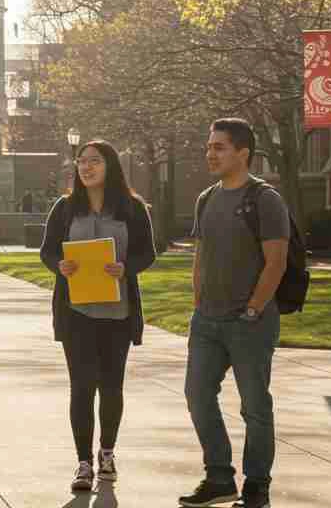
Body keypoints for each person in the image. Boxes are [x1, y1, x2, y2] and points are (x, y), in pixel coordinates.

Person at [178, 118, 287, 508]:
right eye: (209, 146)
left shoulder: (265, 199)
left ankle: (257, 486)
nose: (210, 153)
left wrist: (254, 308)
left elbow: (276, 262)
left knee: (254, 407)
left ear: (243, 153)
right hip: (207, 321)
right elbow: (201, 255)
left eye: (219, 147)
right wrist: (198, 302)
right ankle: (219, 477)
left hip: (248, 322)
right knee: (197, 396)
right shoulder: (206, 198)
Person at [39, 140, 156, 492]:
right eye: (81, 161)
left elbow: (148, 253)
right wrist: (59, 265)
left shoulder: (132, 208)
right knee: (81, 387)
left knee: (111, 386)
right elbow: (47, 252)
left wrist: (125, 268)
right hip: (76, 312)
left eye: (94, 161)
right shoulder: (64, 208)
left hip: (117, 313)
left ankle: (107, 453)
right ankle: (83, 463)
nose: (86, 167)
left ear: (110, 166)